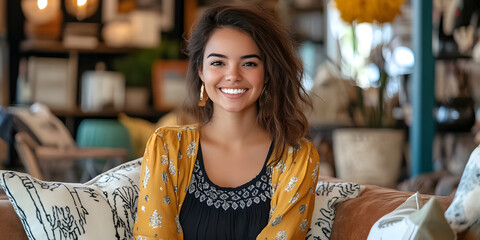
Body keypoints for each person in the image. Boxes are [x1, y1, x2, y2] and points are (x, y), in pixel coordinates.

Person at [133, 3, 320, 239]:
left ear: (268, 73)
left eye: (249, 63)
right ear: (201, 70)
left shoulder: (298, 158)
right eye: (218, 62)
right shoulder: (167, 147)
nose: (233, 75)